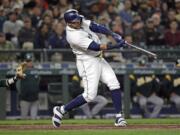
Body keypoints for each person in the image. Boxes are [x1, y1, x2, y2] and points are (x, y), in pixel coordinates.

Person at [52, 9, 127, 127]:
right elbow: (96, 47)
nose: (79, 22)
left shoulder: (79, 21)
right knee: (89, 95)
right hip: (87, 62)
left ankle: (119, 117)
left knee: (114, 83)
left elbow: (95, 26)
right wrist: (117, 45)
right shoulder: (73, 36)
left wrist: (113, 34)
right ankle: (61, 110)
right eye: (75, 21)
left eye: (78, 19)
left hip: (98, 58)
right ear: (69, 23)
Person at [18, 54, 40, 119]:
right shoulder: (21, 71)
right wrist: (21, 93)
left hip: (35, 99)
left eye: (30, 61)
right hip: (24, 99)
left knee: (34, 120)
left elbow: (38, 82)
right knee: (23, 119)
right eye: (27, 61)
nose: (29, 63)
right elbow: (17, 84)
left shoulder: (37, 70)